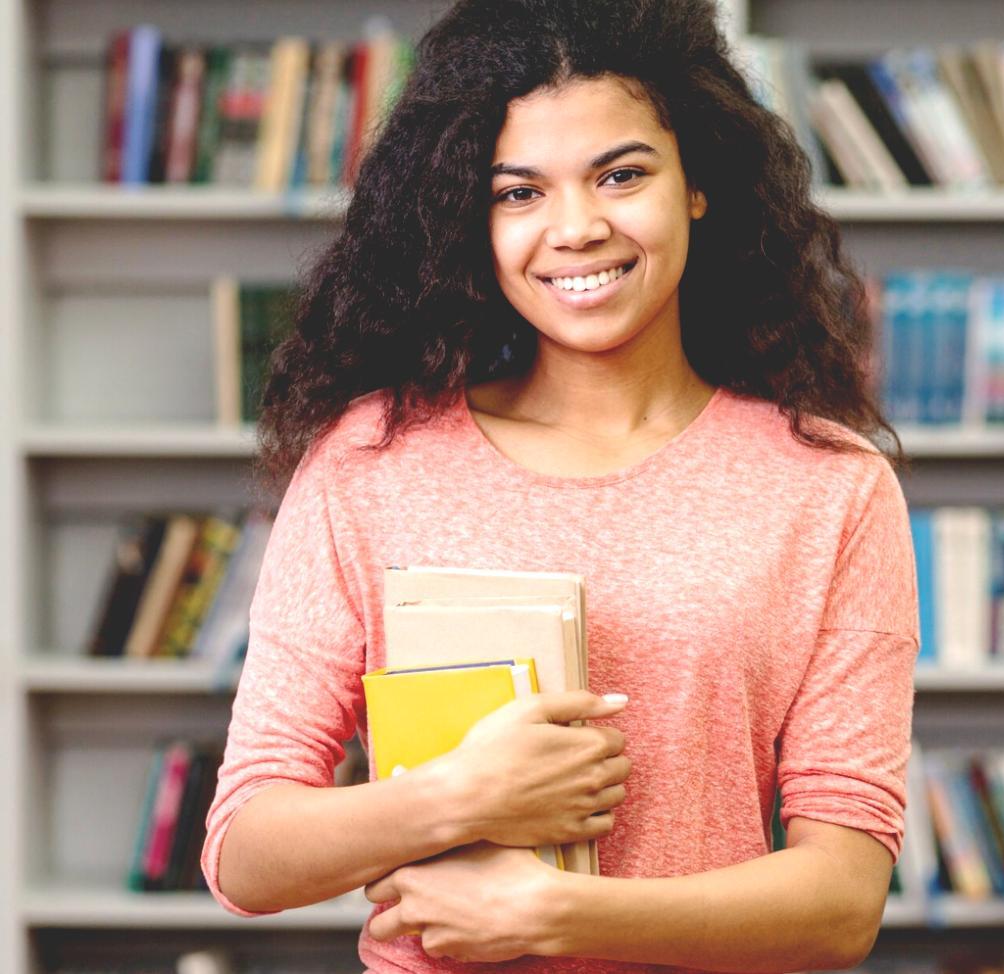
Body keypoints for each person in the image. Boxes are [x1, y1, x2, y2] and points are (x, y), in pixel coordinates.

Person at [199, 0, 920, 971]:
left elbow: (842, 898)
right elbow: (245, 848)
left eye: (620, 175)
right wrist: (460, 794)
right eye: (518, 192)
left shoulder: (832, 486)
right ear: (470, 215)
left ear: (696, 181)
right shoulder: (372, 461)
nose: (576, 228)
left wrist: (556, 913)